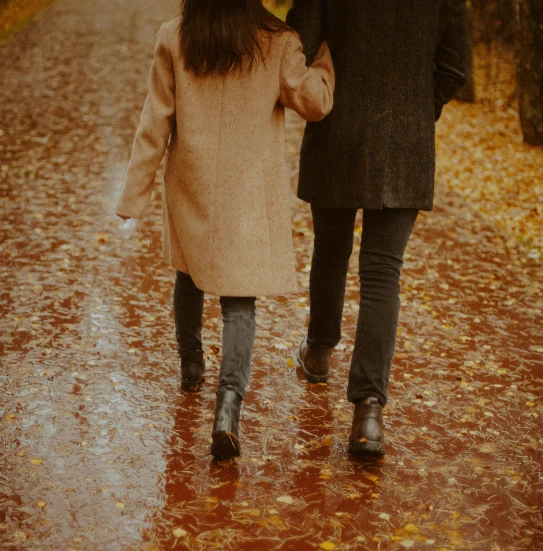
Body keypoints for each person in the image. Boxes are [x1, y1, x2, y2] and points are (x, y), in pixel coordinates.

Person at [116, 0, 334, 461]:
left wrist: (133, 195)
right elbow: (314, 103)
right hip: (248, 189)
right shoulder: (278, 41)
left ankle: (191, 367)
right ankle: (228, 408)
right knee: (240, 300)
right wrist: (326, 60)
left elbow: (155, 122)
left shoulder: (176, 36)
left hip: (191, 180)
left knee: (188, 272)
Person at [287, 0, 470, 457]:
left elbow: (298, 42)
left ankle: (319, 352)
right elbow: (456, 67)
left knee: (330, 250)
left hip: (337, 132)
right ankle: (368, 412)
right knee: (383, 272)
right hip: (406, 141)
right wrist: (413, 110)